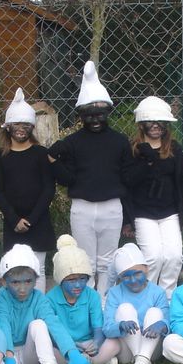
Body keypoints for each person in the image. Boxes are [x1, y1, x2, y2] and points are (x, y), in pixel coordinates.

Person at [48, 61, 133, 293]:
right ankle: (88, 299)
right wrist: (53, 160)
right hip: (82, 207)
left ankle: (104, 299)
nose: (95, 119)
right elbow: (66, 178)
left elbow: (127, 176)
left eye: (100, 114)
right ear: (81, 115)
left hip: (112, 206)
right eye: (89, 115)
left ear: (108, 112)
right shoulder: (73, 142)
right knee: (86, 259)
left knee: (107, 259)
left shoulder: (119, 141)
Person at [0, 243, 91, 364]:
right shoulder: (0, 299)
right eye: (15, 282)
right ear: (4, 282)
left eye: (28, 281)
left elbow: (54, 324)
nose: (22, 288)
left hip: (28, 354)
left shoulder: (38, 298)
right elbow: (3, 327)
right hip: (6, 355)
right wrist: (10, 361)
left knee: (39, 324)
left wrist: (73, 353)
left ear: (35, 279)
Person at [0, 88, 55, 292]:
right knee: (15, 270)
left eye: (26, 124)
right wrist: (14, 219)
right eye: (17, 124)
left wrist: (31, 219)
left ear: (32, 127)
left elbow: (48, 189)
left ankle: (39, 310)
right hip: (13, 223)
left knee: (39, 269)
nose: (21, 128)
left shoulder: (40, 154)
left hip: (38, 221)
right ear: (8, 126)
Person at [125, 96, 183, 298]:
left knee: (173, 256)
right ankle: (147, 296)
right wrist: (147, 161)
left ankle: (167, 296)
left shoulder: (175, 150)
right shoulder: (133, 151)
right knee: (153, 257)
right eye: (150, 122)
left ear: (166, 125)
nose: (155, 126)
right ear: (142, 124)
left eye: (160, 122)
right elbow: (128, 183)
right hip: (143, 214)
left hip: (169, 213)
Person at [46, 234, 121, 364]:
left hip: (88, 343)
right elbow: (52, 333)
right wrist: (69, 347)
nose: (78, 285)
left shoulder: (92, 295)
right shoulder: (50, 298)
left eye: (82, 279)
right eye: (71, 280)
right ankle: (95, 362)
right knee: (47, 350)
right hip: (64, 345)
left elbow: (98, 328)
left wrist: (97, 343)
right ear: (60, 279)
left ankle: (85, 361)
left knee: (114, 343)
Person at [102, 243, 170, 364]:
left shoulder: (157, 292)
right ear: (120, 277)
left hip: (153, 349)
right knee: (125, 308)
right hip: (126, 352)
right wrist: (120, 326)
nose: (133, 280)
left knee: (155, 312)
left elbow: (169, 321)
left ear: (146, 269)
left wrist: (162, 325)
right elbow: (107, 327)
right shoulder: (114, 293)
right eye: (126, 277)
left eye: (137, 273)